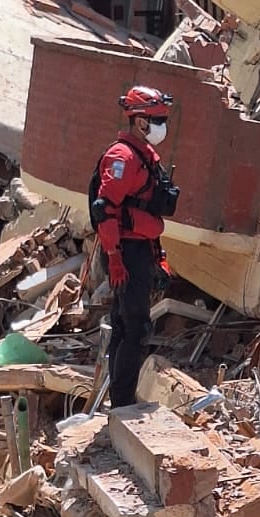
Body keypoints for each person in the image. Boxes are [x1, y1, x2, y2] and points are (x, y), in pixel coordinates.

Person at [91, 87, 179, 407]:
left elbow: (146, 211)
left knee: (126, 325)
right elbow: (105, 209)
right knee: (134, 329)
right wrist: (114, 257)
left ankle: (120, 399)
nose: (162, 126)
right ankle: (122, 403)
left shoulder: (143, 155)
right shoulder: (122, 157)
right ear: (140, 122)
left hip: (138, 250)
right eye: (158, 120)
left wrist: (159, 257)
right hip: (125, 253)